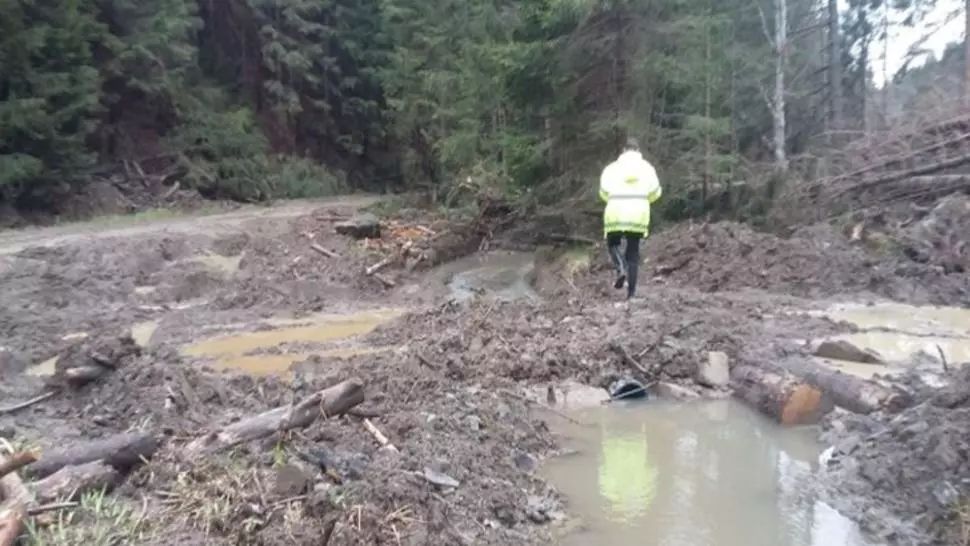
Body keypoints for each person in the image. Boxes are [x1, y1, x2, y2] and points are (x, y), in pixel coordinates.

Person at [599, 137, 663, 299]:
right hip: (638, 214)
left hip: (615, 211)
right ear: (638, 150)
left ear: (623, 151)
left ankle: (621, 268)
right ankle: (631, 294)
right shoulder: (647, 169)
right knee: (633, 252)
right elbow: (655, 192)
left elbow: (603, 192)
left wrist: (615, 200)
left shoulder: (611, 169)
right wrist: (643, 200)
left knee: (613, 243)